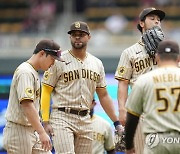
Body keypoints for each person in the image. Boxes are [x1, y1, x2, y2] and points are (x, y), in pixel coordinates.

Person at [40, 21, 122, 154]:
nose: (77, 37)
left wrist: (117, 122)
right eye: (74, 34)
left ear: (89, 37)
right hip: (62, 116)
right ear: (70, 37)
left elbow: (103, 95)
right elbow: (46, 90)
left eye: (81, 34)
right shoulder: (58, 60)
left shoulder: (97, 63)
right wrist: (45, 120)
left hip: (85, 118)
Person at [114, 7, 166, 154]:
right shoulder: (129, 52)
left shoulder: (168, 50)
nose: (157, 21)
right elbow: (123, 83)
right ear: (141, 23)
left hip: (164, 108)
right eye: (152, 18)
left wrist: (162, 51)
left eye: (159, 19)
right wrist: (122, 109)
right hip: (140, 110)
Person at [3, 39, 63, 154]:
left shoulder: (33, 71)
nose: (53, 63)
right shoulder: (25, 72)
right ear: (42, 53)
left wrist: (39, 130)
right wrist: (41, 132)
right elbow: (27, 105)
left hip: (32, 129)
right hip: (19, 130)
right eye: (52, 59)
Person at [125, 39, 180, 154]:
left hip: (156, 140)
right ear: (178, 58)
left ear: (157, 57)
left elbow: (132, 117)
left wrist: (129, 145)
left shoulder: (144, 80)